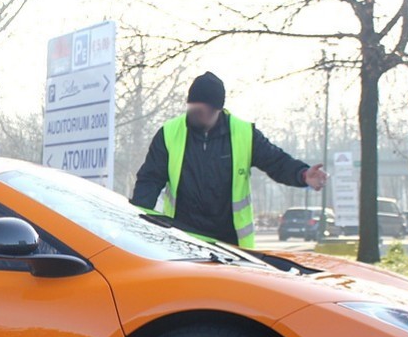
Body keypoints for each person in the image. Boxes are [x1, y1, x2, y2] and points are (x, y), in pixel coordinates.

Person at [130, 71, 327, 249]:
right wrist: (138, 220)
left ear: (218, 110)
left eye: (203, 111)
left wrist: (302, 175)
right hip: (182, 240)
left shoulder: (244, 134)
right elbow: (150, 179)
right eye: (193, 108)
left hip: (231, 244)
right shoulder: (170, 133)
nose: (196, 115)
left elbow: (276, 162)